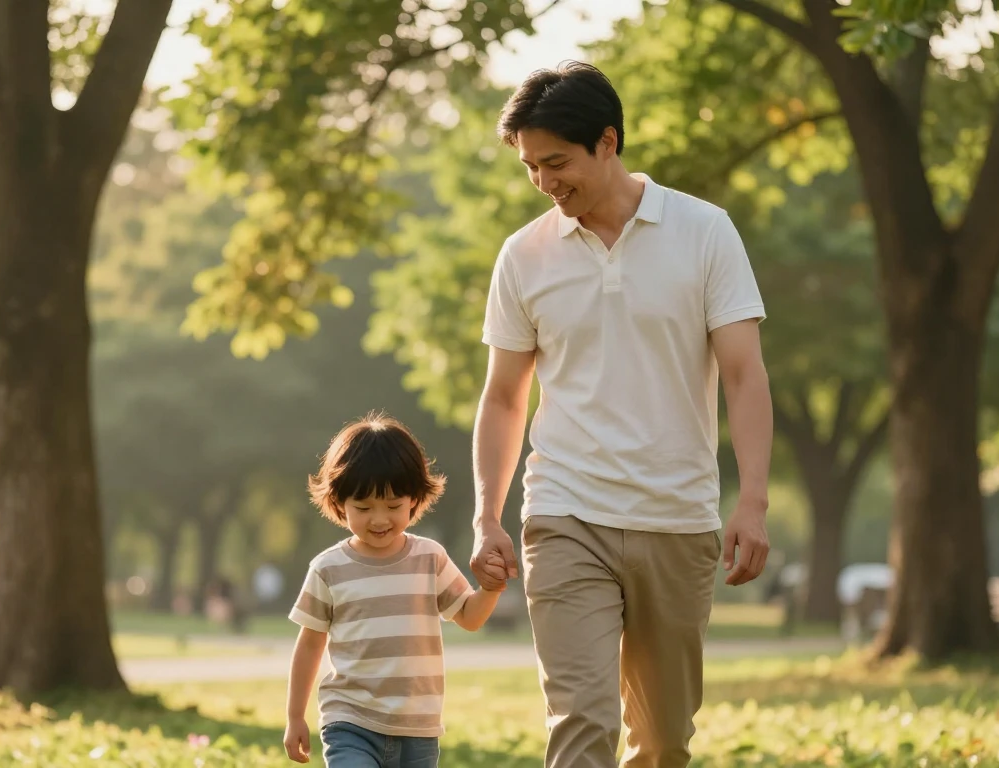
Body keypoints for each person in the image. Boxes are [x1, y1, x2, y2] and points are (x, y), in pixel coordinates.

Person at [469, 62, 774, 768]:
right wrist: (487, 515)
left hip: (677, 515)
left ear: (607, 142)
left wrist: (753, 500)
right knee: (582, 717)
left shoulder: (705, 231)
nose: (544, 182)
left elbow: (743, 373)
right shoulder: (523, 256)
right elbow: (505, 396)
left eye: (556, 162)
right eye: (530, 167)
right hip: (565, 511)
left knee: (663, 741)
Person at [284, 413, 508, 767]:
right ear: (339, 502)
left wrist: (491, 589)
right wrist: (295, 716)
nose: (379, 519)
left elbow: (469, 617)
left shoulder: (429, 558)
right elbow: (310, 644)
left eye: (393, 506)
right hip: (350, 720)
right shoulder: (328, 568)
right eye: (363, 507)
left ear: (414, 500)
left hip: (418, 726)